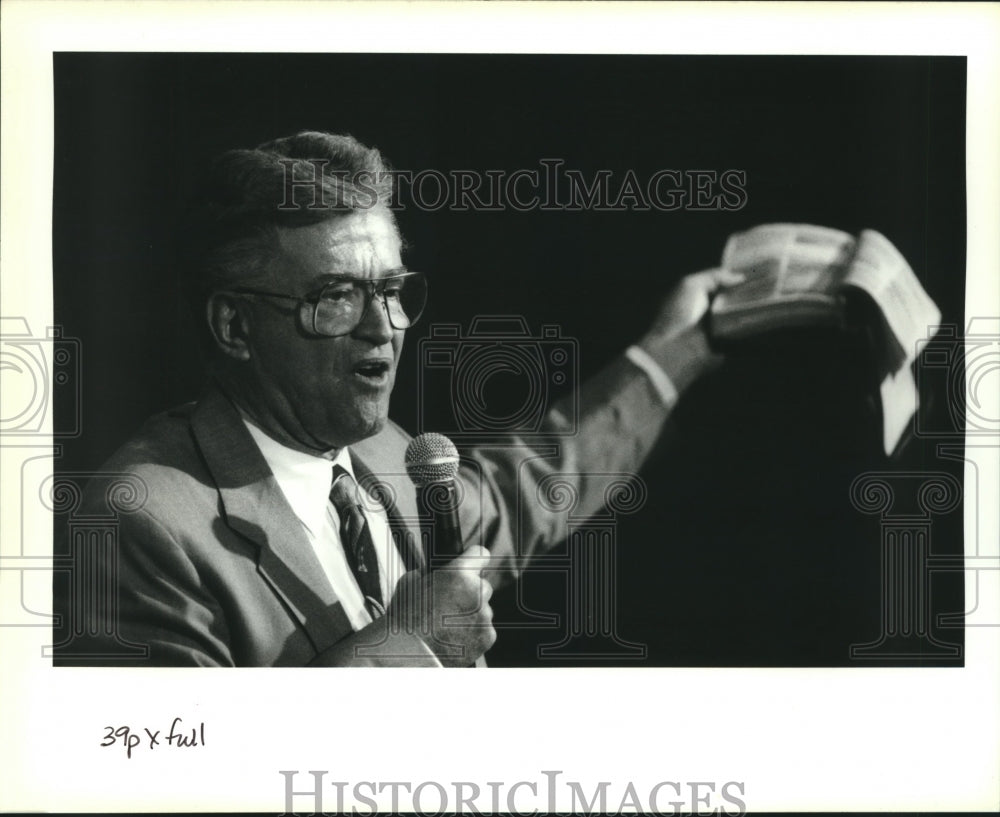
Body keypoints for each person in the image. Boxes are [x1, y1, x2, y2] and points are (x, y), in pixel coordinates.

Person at [53, 131, 743, 667]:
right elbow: (166, 778)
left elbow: (519, 492)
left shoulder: (382, 456)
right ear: (235, 326)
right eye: (335, 296)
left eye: (390, 289)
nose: (382, 329)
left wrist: (676, 349)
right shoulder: (139, 522)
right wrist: (410, 643)